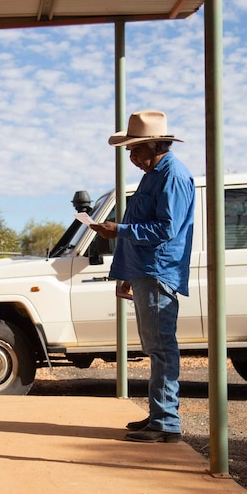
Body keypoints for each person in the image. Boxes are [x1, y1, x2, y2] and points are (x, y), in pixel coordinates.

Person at [90, 110, 195, 443]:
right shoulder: (156, 174)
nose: (131, 155)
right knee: (156, 346)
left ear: (153, 144)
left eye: (135, 149)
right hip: (147, 271)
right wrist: (128, 271)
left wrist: (117, 230)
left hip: (158, 271)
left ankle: (166, 422)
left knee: (161, 346)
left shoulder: (173, 175)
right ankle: (160, 415)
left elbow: (166, 229)